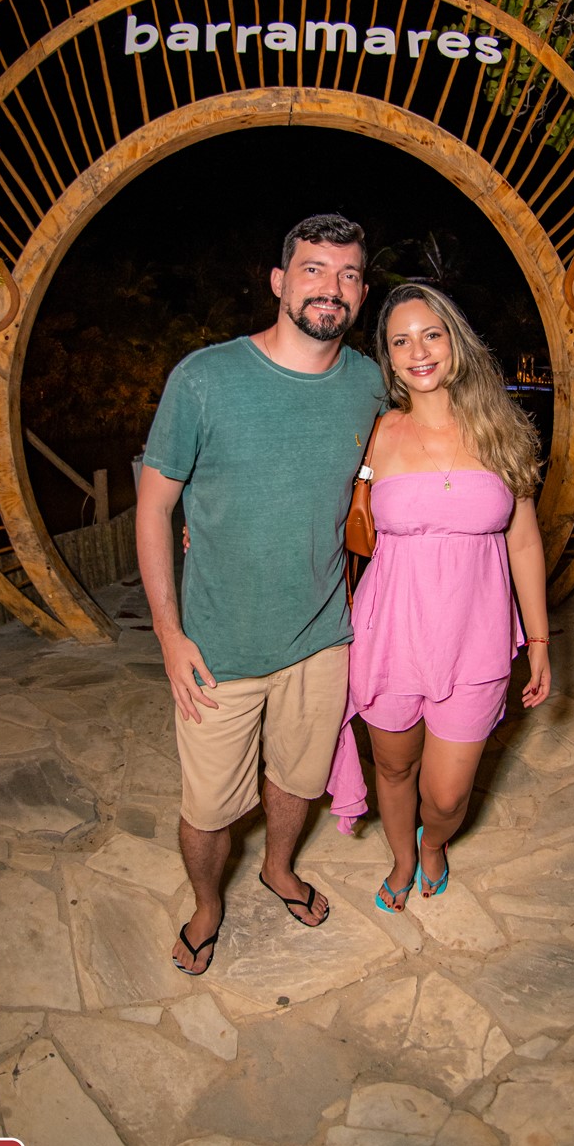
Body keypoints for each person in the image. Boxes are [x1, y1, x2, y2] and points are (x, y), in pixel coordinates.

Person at [136, 214, 384, 974]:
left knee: (299, 780)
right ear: (279, 281)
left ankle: (279, 869)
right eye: (313, 269)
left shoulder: (370, 385)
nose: (330, 288)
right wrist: (169, 635)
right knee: (209, 809)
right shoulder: (205, 379)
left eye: (347, 275)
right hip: (219, 647)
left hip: (321, 638)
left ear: (362, 292)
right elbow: (154, 507)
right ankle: (207, 905)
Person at [346, 282, 551, 913]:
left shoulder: (501, 430)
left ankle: (432, 841)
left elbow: (523, 542)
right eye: (400, 341)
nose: (418, 352)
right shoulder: (376, 434)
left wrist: (539, 640)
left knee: (446, 796)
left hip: (475, 638)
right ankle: (403, 858)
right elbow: (312, 504)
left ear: (455, 341)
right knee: (394, 769)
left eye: (431, 334)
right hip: (390, 634)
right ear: (387, 357)